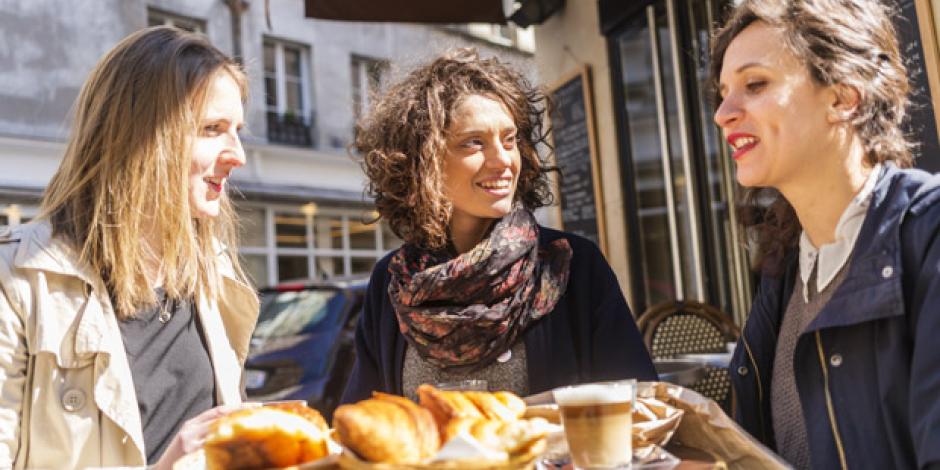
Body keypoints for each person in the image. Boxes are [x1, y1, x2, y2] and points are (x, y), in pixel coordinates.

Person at [0, 27, 259, 469]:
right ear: (140, 138)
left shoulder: (215, 274)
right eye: (212, 129)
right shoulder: (19, 279)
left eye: (236, 130)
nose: (238, 155)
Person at [341, 49, 656, 405]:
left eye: (509, 140)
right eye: (473, 142)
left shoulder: (569, 266)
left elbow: (636, 405)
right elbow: (365, 421)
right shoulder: (393, 282)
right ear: (422, 162)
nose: (503, 160)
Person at [712, 0, 940, 468]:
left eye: (755, 85)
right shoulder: (785, 272)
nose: (723, 113)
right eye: (723, 92)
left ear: (842, 97)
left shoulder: (929, 234)